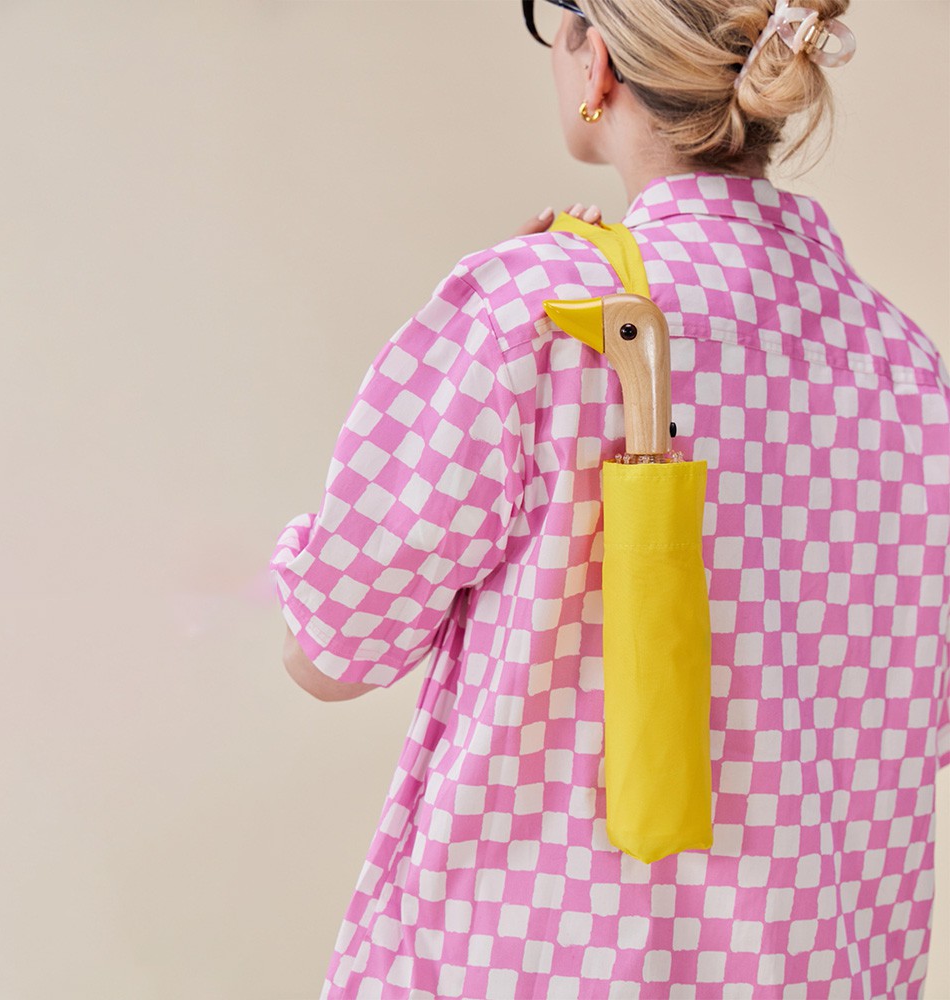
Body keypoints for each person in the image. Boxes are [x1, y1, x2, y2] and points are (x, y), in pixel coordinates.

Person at [269, 0, 950, 996]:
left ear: (597, 67)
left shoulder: (538, 312)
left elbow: (327, 647)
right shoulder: (912, 374)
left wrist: (493, 334)